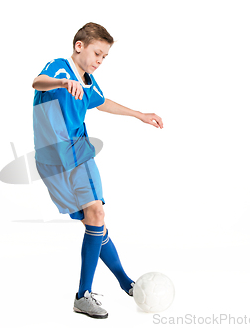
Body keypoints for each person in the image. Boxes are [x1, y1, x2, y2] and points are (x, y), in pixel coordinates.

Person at [31, 22, 163, 319]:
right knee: (93, 223)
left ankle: (84, 295)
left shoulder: (88, 81)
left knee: (97, 213)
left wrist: (139, 114)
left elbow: (101, 102)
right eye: (97, 53)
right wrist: (62, 83)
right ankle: (125, 282)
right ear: (80, 46)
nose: (100, 61)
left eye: (104, 57)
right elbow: (37, 82)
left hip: (78, 152)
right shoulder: (60, 68)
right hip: (50, 160)